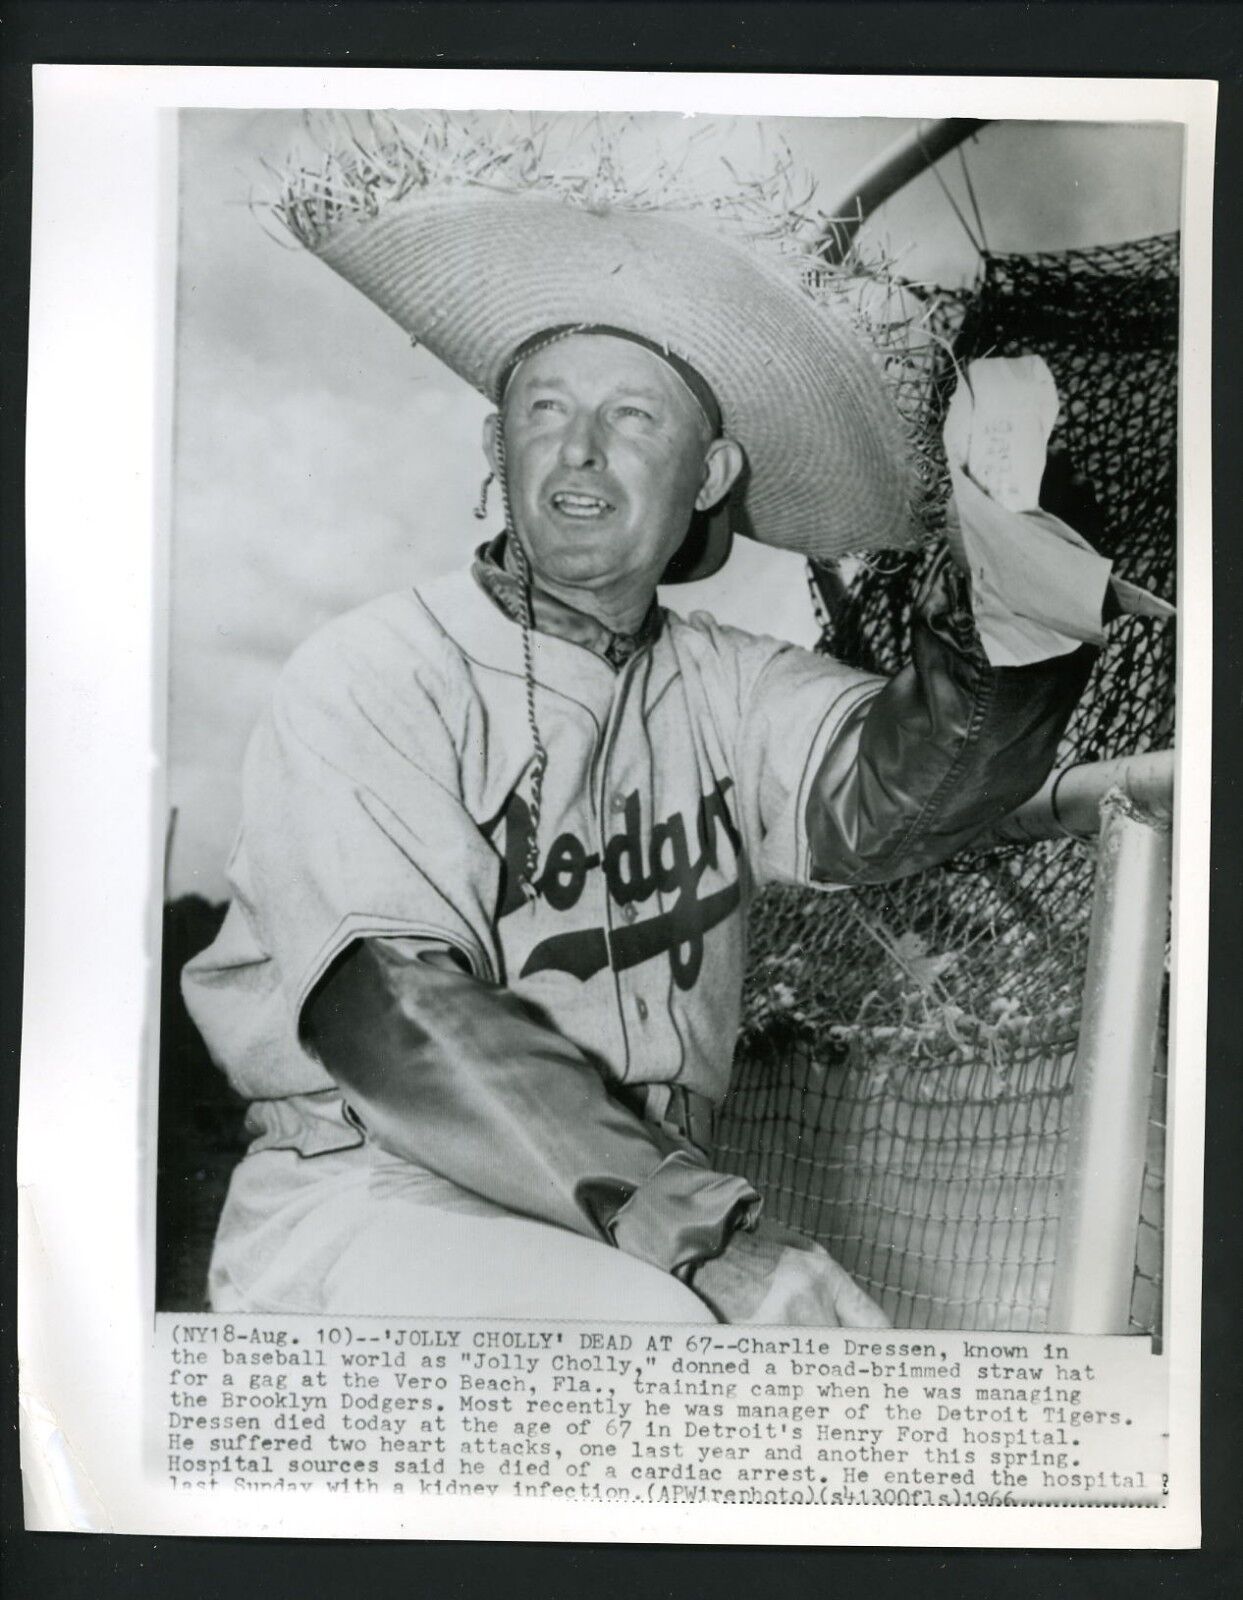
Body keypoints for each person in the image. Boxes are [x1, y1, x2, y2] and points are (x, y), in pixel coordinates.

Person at [182, 118, 1102, 1325]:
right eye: (546, 406)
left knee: (839, 1367)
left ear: (710, 476)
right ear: (495, 444)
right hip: (372, 1196)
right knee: (701, 1342)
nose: (580, 452)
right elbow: (392, 1013)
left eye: (635, 417)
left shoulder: (727, 683)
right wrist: (707, 1242)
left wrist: (1015, 574)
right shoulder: (373, 669)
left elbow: (894, 801)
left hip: (629, 1206)